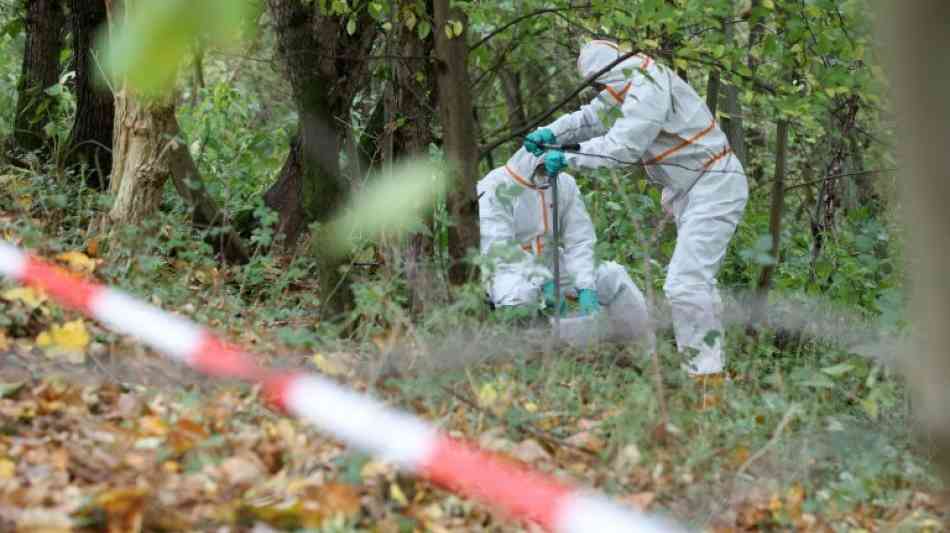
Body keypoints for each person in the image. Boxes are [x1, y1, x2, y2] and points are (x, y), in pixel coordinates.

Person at [524, 40, 748, 375]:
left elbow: (621, 148)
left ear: (611, 73)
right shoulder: (628, 83)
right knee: (699, 284)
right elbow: (593, 117)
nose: (601, 90)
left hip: (714, 183)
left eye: (601, 83)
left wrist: (567, 156)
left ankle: (707, 380)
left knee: (685, 284)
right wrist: (553, 131)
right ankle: (709, 373)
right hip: (690, 189)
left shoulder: (649, 87)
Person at [478, 147, 649, 341]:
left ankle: (639, 345)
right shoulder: (494, 186)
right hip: (507, 269)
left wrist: (586, 285)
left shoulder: (565, 184)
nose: (554, 174)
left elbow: (579, 239)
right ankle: (531, 358)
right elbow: (499, 247)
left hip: (552, 261)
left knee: (613, 276)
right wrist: (543, 281)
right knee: (521, 296)